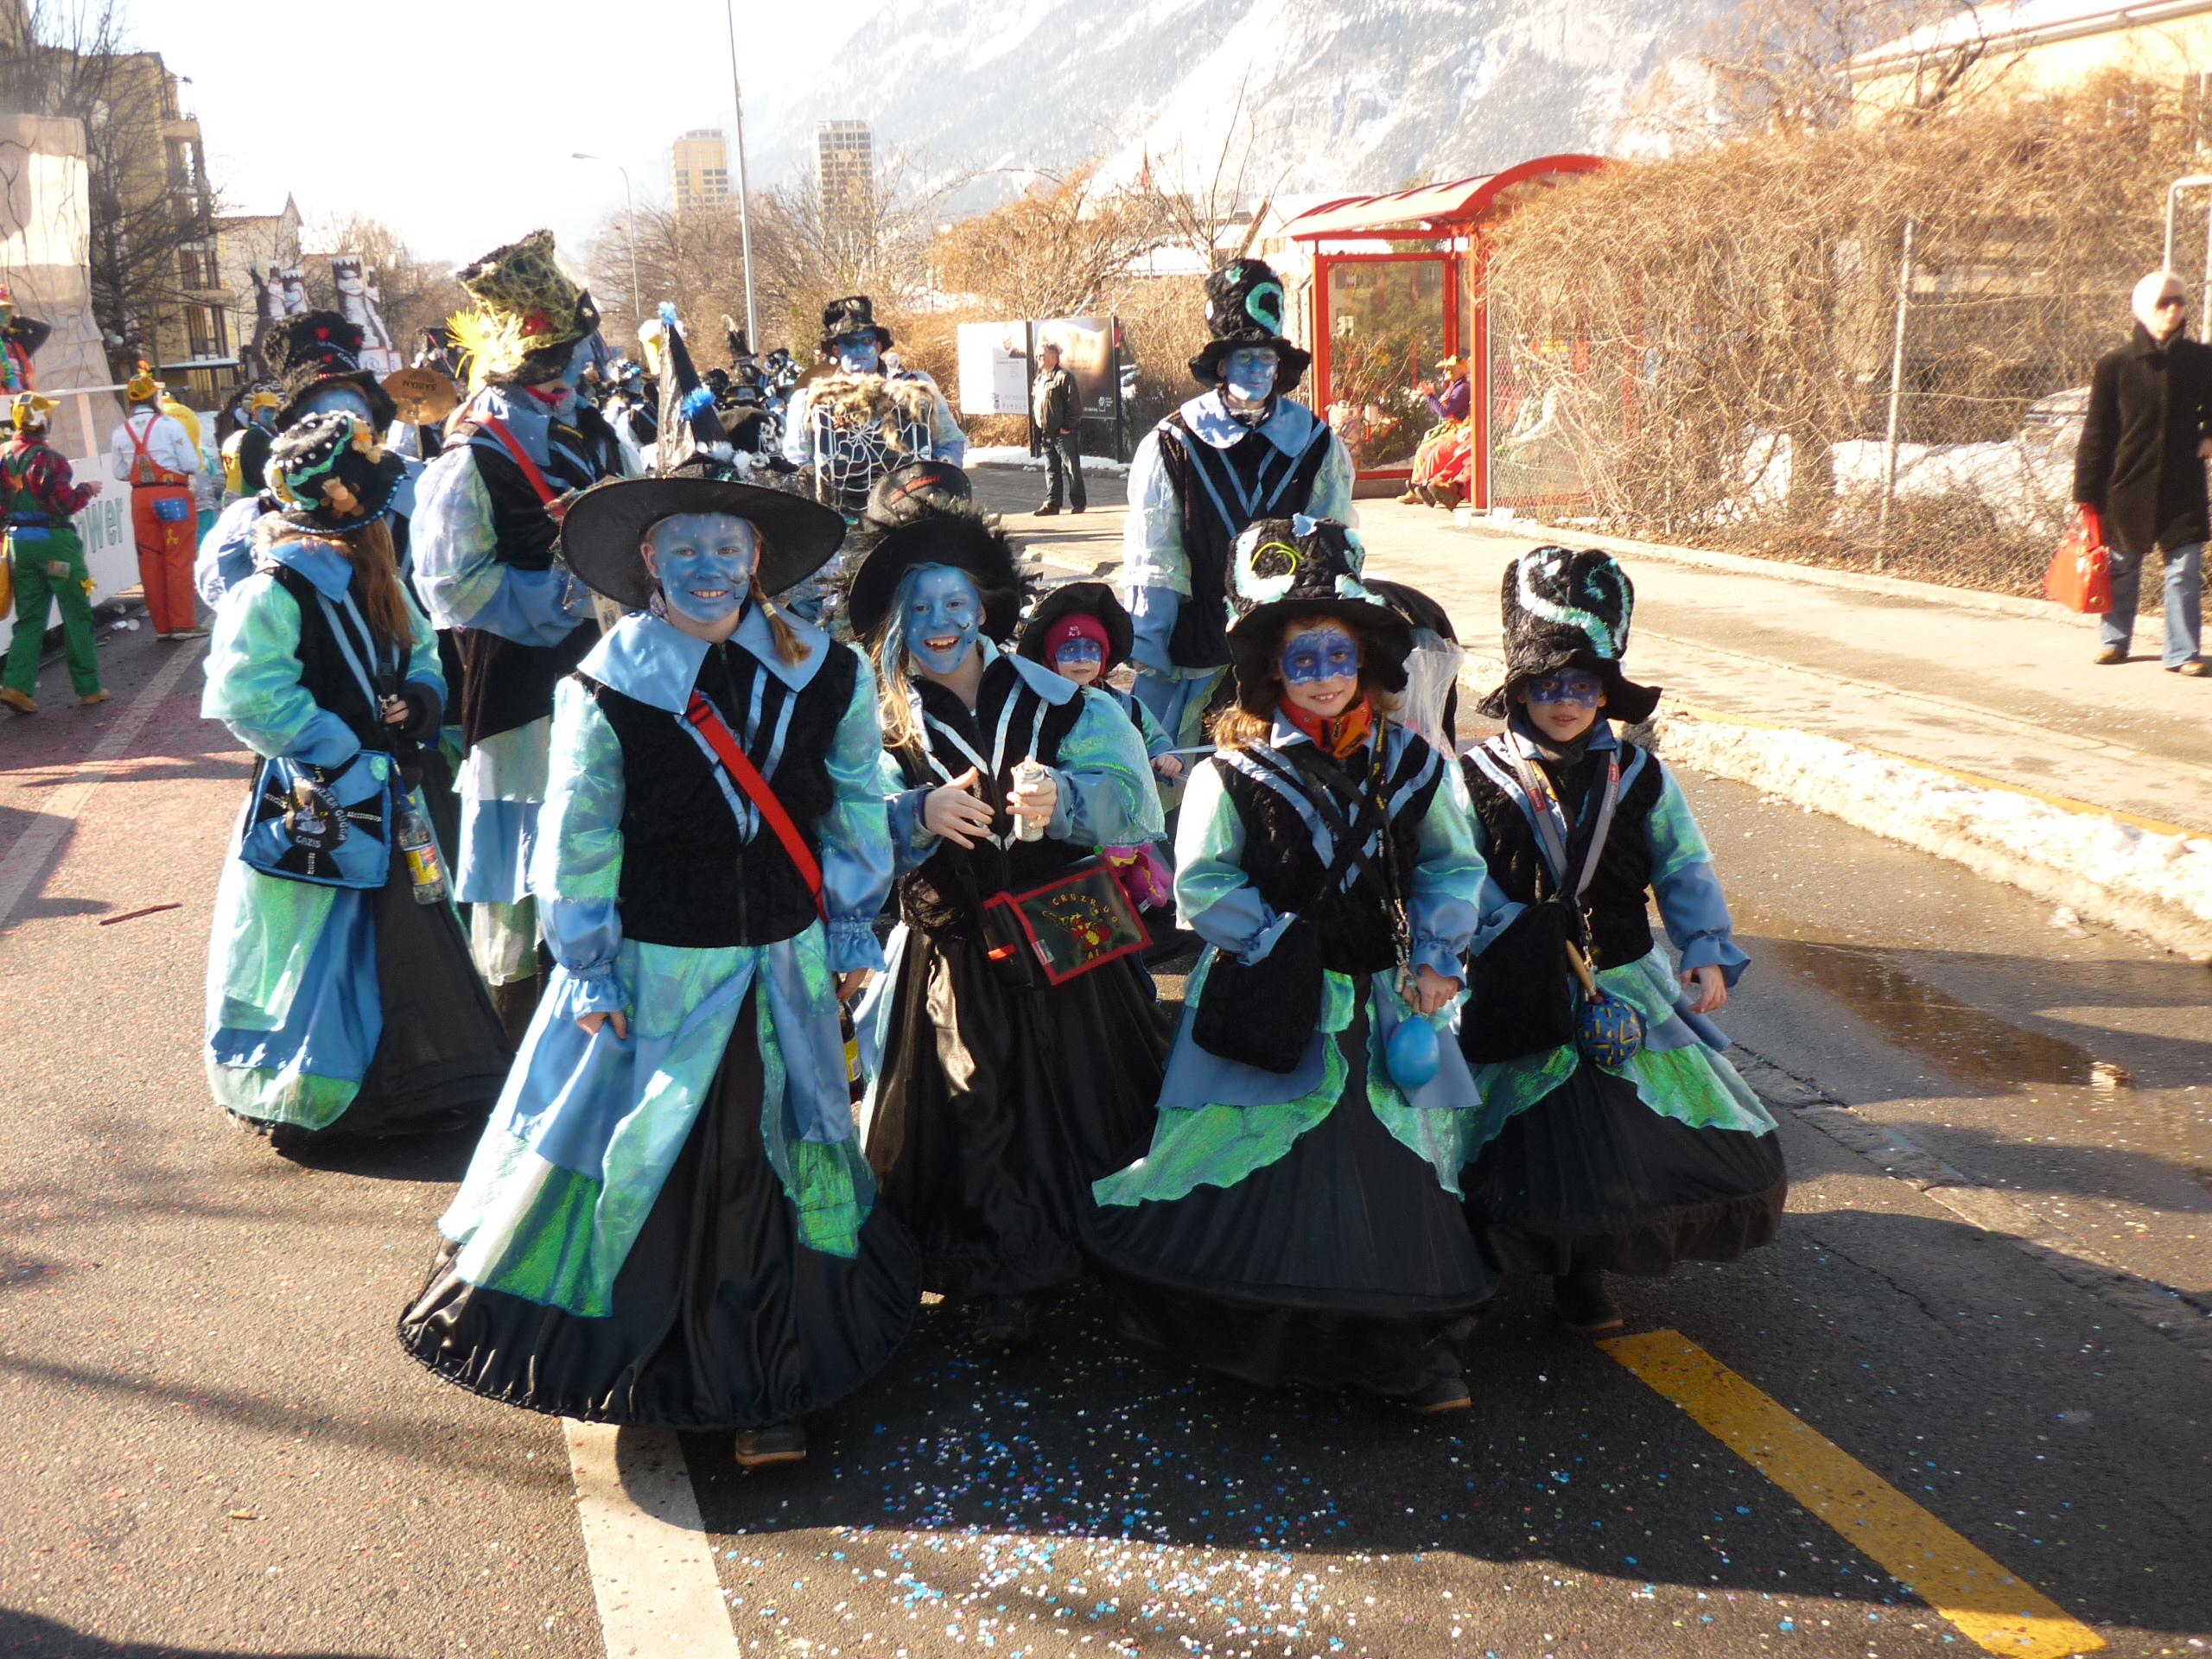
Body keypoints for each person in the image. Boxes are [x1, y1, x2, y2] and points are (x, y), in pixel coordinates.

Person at [397, 456, 917, 1470]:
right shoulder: (605, 682)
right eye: (685, 547)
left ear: (757, 557)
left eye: (727, 546)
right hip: (656, 979)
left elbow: (855, 800)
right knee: (660, 1163)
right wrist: (587, 965)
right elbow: (579, 833)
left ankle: (765, 1381)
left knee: (770, 1159)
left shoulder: (831, 671)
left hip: (783, 971)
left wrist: (854, 927)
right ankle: (665, 1362)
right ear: (648, 560)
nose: (708, 566)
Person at [1088, 517, 1493, 1411]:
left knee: (1396, 1173)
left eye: (1338, 655)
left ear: (1367, 662)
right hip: (1273, 997)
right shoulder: (1231, 771)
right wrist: (1276, 945)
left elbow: (1450, 865)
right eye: (1302, 659)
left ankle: (1409, 1347)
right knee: (1255, 1163)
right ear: (1273, 670)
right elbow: (1203, 883)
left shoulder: (1414, 765)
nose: (1323, 675)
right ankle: (1248, 1327)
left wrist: (1438, 955)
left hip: (1385, 999)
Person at [849, 510, 1168, 1348]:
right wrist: (913, 813)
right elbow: (839, 830)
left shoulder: (1067, 702)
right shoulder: (875, 723)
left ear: (983, 608)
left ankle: (1120, 1251)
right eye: (919, 608)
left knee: (1097, 1094)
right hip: (954, 949)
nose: (940, 624)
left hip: (1072, 933)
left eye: (954, 603)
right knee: (977, 1104)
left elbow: (1138, 809)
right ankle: (1000, 1275)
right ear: (896, 621)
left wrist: (1066, 800)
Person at [1455, 546, 1786, 1334]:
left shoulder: (1640, 776)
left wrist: (1704, 947)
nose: (1565, 702)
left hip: (1624, 980)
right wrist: (1506, 927)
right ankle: (1481, 1258)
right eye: (1546, 685)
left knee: (1613, 1135)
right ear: (1520, 689)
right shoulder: (1476, 777)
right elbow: (1455, 869)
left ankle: (1584, 1273)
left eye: (1582, 685)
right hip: (1517, 980)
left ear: (1606, 691)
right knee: (1514, 1131)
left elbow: (1682, 864)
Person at [200, 411, 508, 1149]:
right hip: (320, 800)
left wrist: (420, 701)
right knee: (322, 947)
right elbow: (248, 696)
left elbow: (422, 652)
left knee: (409, 934)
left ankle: (416, 1080)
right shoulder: (272, 591)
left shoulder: (377, 579)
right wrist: (342, 746)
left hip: (391, 788)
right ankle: (329, 1092)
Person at [413, 231, 622, 1037]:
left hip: (609, 672)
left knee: (599, 831)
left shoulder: (595, 429)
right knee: (522, 864)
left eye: (564, 357)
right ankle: (514, 1032)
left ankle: (597, 1007)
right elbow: (449, 587)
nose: (560, 377)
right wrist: (566, 595)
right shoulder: (471, 456)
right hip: (520, 687)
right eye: (542, 364)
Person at [1120, 259, 1354, 797]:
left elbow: (1334, 543)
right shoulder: (1173, 442)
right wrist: (1149, 640)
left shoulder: (1315, 442)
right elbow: (1155, 553)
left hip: (1285, 638)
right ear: (1221, 365)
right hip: (1198, 636)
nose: (1256, 369)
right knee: (1183, 778)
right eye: (1244, 357)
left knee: (1287, 778)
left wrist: (1333, 624)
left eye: (1266, 358)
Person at [2074, 269, 2212, 675]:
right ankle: (2114, 642)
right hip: (2127, 485)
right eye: (2164, 302)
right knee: (2121, 567)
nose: (2174, 309)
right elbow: (2097, 432)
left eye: (2180, 301)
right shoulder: (2115, 365)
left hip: (2183, 485)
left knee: (2184, 571)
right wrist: (2087, 492)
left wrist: (2209, 433)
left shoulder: (2201, 360)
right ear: (2143, 309)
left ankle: (2183, 652)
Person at [781, 296, 965, 522]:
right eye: (850, 343)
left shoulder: (916, 387)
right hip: (841, 518)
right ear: (837, 351)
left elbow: (951, 440)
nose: (859, 349)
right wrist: (814, 485)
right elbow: (797, 459)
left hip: (909, 512)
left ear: (878, 347)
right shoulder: (810, 400)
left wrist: (938, 471)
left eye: (866, 341)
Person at [0, 394, 105, 715]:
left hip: (18, 546)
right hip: (55, 546)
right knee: (76, 613)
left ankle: (16, 686)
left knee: (30, 618)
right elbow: (65, 504)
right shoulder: (51, 459)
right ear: (42, 421)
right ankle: (88, 688)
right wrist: (86, 489)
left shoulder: (2, 455)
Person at [111, 365, 206, 640]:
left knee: (150, 561)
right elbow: (191, 463)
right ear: (154, 397)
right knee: (179, 558)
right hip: (172, 494)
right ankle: (183, 624)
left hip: (141, 499)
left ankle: (162, 627)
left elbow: (119, 472)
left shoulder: (120, 432)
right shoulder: (169, 425)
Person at [1401, 356, 1472, 510]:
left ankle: (1426, 485)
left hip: (1458, 428)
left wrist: (1430, 396)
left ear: (1460, 371)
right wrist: (1431, 396)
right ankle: (1420, 485)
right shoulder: (1453, 387)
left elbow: (1445, 411)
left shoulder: (1463, 388)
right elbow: (1438, 411)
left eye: (1449, 368)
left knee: (1429, 450)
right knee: (1424, 450)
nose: (1445, 371)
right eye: (1445, 368)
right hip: (1451, 427)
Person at [1031, 340, 1084, 516]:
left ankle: (1079, 504)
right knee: (1051, 470)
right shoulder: (1040, 379)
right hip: (1046, 432)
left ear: (1054, 357)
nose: (1039, 357)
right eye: (1038, 355)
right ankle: (1052, 504)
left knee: (1071, 469)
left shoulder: (1064, 377)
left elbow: (1075, 406)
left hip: (1063, 432)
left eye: (1042, 354)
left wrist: (1067, 427)